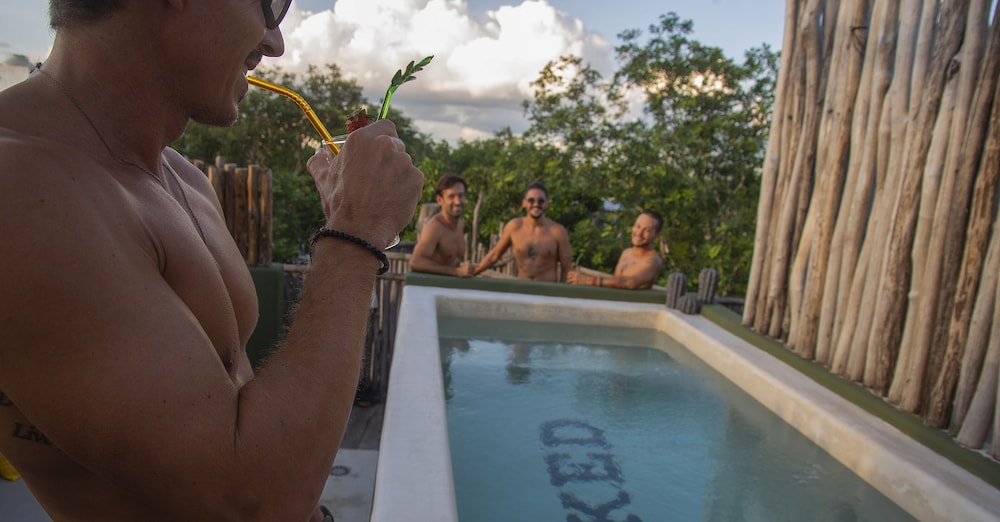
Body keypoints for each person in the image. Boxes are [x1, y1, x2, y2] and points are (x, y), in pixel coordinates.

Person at [0, 1, 422, 521]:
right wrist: (355, 232)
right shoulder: (18, 184)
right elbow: (252, 504)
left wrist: (349, 217)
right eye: (270, 4)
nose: (274, 43)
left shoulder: (185, 179)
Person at [474, 181, 572, 282]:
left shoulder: (557, 231)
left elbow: (567, 269)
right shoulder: (514, 227)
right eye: (531, 200)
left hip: (547, 289)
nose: (536, 204)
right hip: (523, 288)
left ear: (547, 203)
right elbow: (494, 256)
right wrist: (474, 272)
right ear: (524, 203)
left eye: (541, 201)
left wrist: (565, 291)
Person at [568, 211, 664, 289]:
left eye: (647, 230)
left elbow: (630, 282)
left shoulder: (652, 261)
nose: (639, 233)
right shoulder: (626, 253)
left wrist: (588, 281)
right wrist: (581, 274)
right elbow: (616, 281)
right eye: (638, 227)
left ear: (656, 236)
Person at [409, 174, 476, 277]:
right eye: (451, 196)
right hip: (433, 286)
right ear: (440, 200)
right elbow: (415, 262)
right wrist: (456, 271)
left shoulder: (460, 225)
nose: (458, 202)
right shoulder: (435, 227)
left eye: (461, 195)